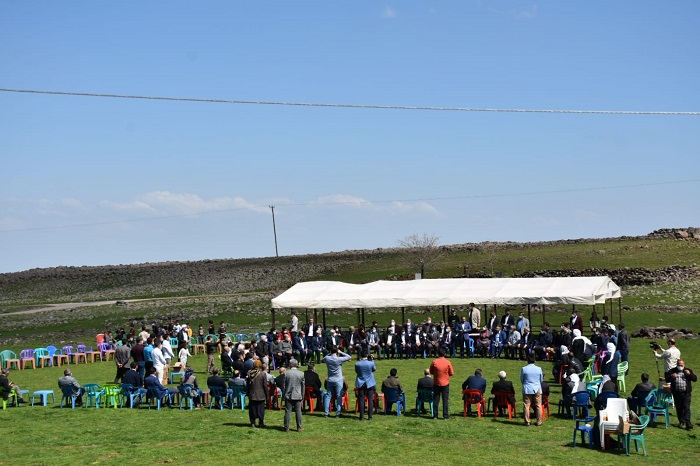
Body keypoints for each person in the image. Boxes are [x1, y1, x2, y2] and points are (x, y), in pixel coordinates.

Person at [666, 359, 696, 430]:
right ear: (677, 365)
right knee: (679, 408)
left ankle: (688, 423)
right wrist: (671, 377)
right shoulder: (672, 371)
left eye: (681, 365)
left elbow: (695, 379)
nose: (680, 366)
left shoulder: (688, 370)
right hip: (677, 393)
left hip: (686, 393)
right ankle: (681, 421)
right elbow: (667, 379)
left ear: (684, 365)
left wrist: (689, 374)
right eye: (679, 365)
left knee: (686, 408)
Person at [323, 346, 352, 417]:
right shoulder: (339, 359)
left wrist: (330, 353)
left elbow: (323, 358)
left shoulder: (327, 358)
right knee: (339, 396)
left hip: (330, 379)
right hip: (338, 380)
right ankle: (338, 413)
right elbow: (349, 356)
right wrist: (340, 352)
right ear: (336, 351)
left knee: (328, 396)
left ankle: (326, 413)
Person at [429, 348, 455, 420]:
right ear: (445, 354)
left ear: (438, 354)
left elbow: (431, 371)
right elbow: (452, 373)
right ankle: (445, 416)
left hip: (436, 382)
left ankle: (435, 415)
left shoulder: (434, 362)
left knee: (436, 399)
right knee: (445, 400)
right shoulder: (448, 362)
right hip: (445, 383)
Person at [520, 353, 543, 426]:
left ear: (527, 360)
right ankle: (539, 421)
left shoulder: (524, 369)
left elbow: (522, 379)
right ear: (534, 360)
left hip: (527, 388)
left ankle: (527, 421)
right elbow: (541, 379)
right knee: (538, 405)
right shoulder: (539, 369)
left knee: (526, 405)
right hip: (537, 387)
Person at [283, 359, 305, 432]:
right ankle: (299, 427)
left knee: (287, 412)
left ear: (291, 365)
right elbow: (303, 386)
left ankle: (286, 427)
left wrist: (283, 395)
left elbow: (284, 386)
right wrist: (302, 395)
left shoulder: (286, 373)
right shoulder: (301, 374)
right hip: (298, 395)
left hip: (288, 395)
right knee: (298, 411)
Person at [354, 350, 377, 421]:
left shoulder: (357, 364)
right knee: (370, 400)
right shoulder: (370, 363)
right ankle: (370, 416)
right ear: (367, 355)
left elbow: (357, 371)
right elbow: (374, 369)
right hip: (369, 383)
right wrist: (372, 360)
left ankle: (361, 417)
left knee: (361, 400)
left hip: (361, 382)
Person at [246, 360, 269, 428]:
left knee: (252, 409)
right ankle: (261, 423)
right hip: (261, 394)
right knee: (261, 410)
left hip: (252, 394)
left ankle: (252, 422)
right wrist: (267, 394)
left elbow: (248, 385)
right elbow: (265, 385)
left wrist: (248, 392)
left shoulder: (249, 373)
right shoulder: (262, 374)